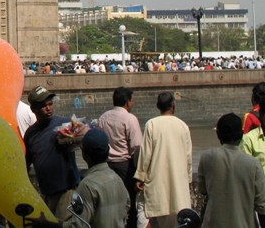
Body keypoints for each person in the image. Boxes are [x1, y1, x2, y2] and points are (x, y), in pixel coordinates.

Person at [134, 92, 192, 228]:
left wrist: (140, 176)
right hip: (178, 184)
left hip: (157, 183)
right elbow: (188, 157)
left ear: (158, 107)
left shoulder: (152, 124)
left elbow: (145, 154)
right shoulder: (183, 126)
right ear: (173, 106)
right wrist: (187, 179)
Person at [24, 85, 81, 221]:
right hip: (46, 192)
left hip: (66, 191)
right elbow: (26, 162)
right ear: (33, 109)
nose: (48, 109)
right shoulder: (30, 134)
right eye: (44, 106)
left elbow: (84, 139)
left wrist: (72, 139)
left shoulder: (65, 125)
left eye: (50, 104)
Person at [198, 113, 265, 228]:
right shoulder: (253, 164)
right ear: (241, 134)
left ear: (218, 134)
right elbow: (262, 206)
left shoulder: (206, 157)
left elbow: (203, 190)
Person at [63, 129, 129, 228]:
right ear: (108, 151)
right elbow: (126, 208)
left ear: (84, 153)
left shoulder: (87, 185)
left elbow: (79, 225)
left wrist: (51, 224)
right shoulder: (117, 179)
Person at [97, 87, 142, 228]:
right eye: (132, 100)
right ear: (128, 102)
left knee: (109, 203)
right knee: (129, 203)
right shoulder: (130, 118)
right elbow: (136, 147)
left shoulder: (103, 117)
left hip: (106, 166)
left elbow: (99, 141)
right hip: (125, 167)